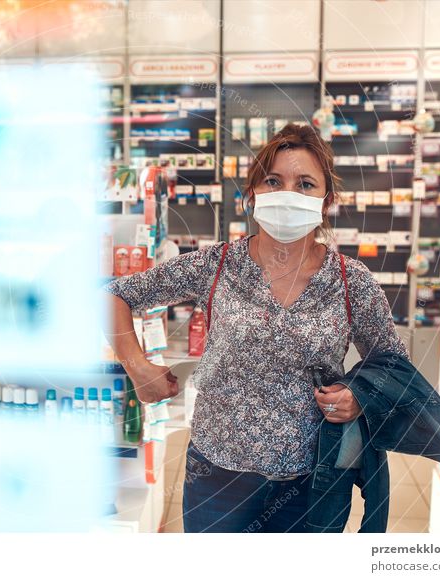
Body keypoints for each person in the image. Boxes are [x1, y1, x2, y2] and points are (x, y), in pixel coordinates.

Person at [104, 123, 409, 533]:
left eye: (304, 184)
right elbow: (114, 295)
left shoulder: (351, 281)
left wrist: (360, 398)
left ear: (326, 200)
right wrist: (138, 367)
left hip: (311, 484)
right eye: (273, 181)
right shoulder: (216, 265)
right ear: (252, 194)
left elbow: (394, 370)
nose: (288, 194)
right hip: (216, 479)